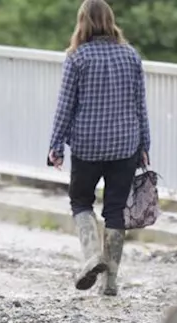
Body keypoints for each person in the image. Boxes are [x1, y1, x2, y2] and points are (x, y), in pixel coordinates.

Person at [47, 0, 150, 297]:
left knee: (80, 201)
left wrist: (56, 145)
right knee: (116, 210)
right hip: (125, 145)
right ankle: (111, 282)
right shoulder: (131, 56)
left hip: (88, 146)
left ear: (83, 23)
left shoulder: (77, 58)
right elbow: (140, 105)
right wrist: (145, 144)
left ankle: (92, 257)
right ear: (110, 21)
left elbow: (65, 106)